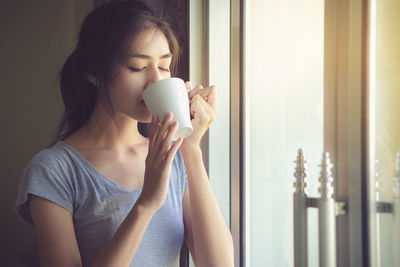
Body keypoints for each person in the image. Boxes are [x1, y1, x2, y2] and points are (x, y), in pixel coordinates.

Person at [15, 1, 234, 266]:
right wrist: (146, 204)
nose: (156, 80)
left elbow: (218, 263)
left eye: (164, 67)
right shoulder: (53, 170)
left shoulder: (174, 156)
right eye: (137, 67)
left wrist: (191, 148)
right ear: (94, 72)